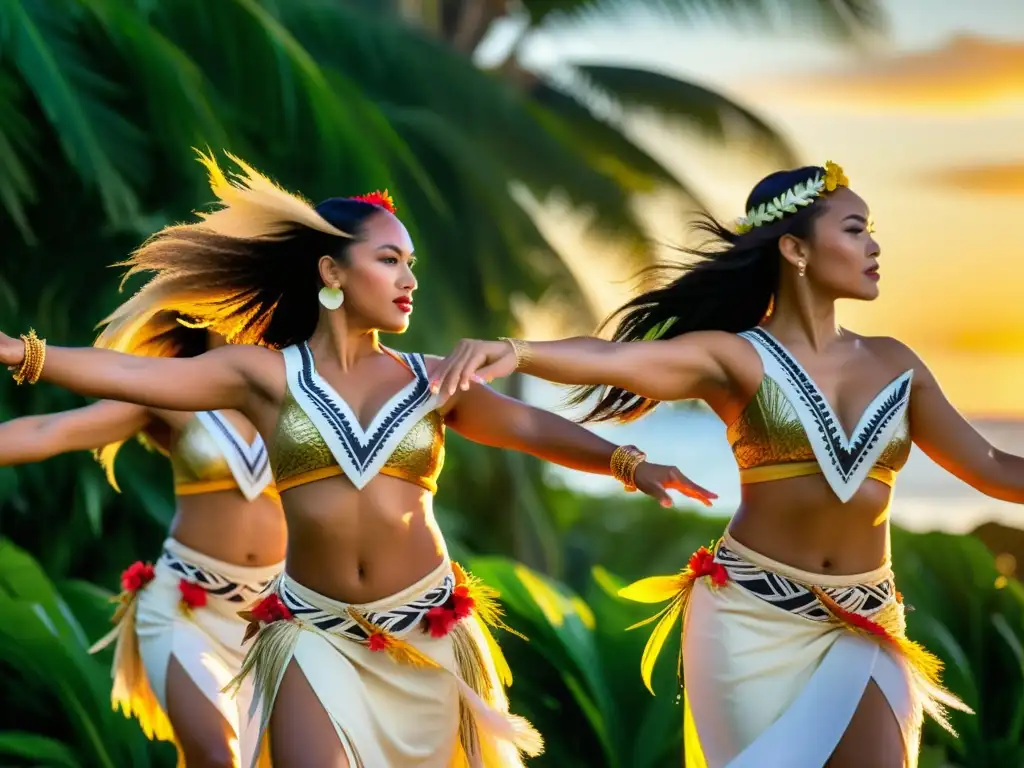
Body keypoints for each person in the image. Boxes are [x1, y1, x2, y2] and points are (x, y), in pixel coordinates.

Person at [0, 150, 716, 767]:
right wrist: (21, 354)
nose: (410, 278)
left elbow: (527, 424)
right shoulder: (267, 377)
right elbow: (135, 376)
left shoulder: (432, 379)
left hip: (425, 629)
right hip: (312, 632)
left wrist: (628, 462)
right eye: (389, 260)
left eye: (412, 263)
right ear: (331, 273)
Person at [429, 161, 1024, 767]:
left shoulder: (897, 363)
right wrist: (516, 352)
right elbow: (618, 361)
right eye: (854, 229)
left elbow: (995, 466)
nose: (873, 246)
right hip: (751, 622)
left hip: (865, 624)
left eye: (871, 231)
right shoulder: (737, 358)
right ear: (795, 248)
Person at [0, 316, 283, 768]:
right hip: (188, 609)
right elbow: (50, 431)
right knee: (214, 756)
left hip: (278, 622)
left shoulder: (304, 393)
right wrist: (20, 351)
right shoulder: (172, 388)